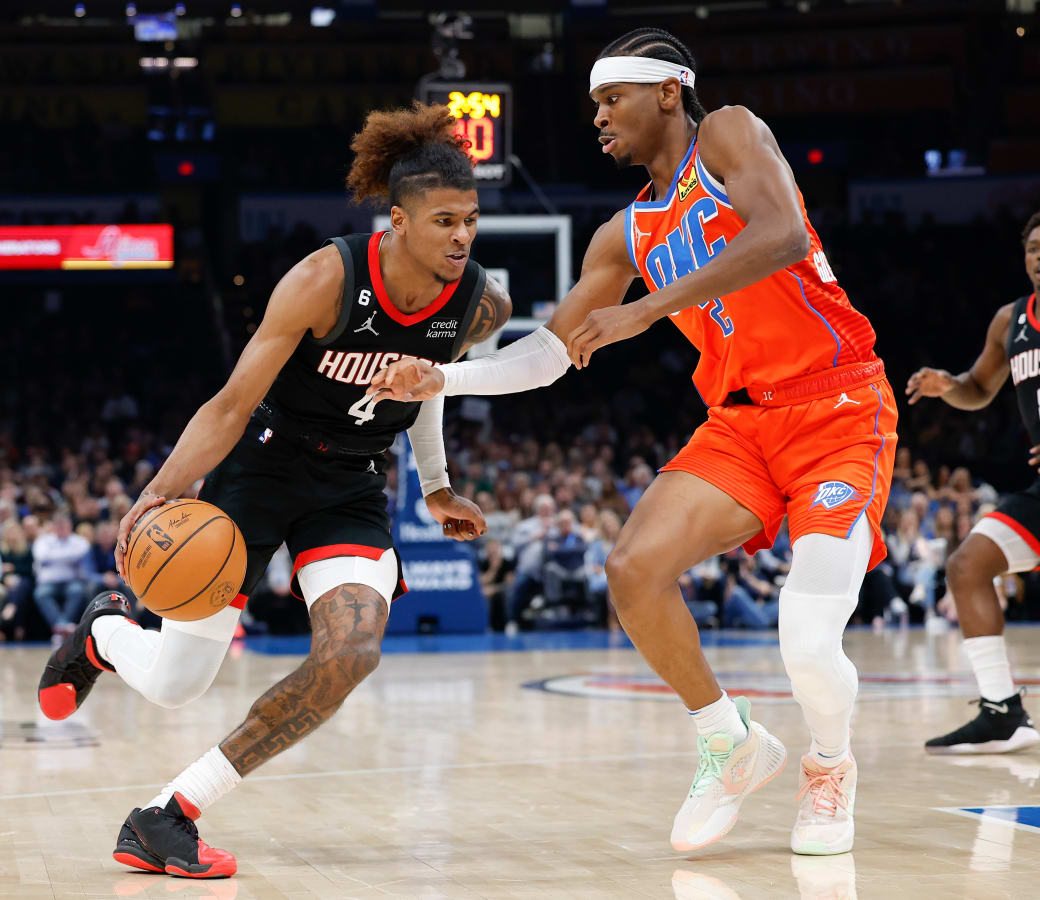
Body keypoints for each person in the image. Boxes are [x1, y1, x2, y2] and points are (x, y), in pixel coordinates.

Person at [370, 27, 897, 855]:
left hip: (837, 407)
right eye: (592, 106)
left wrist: (648, 311)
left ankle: (830, 767)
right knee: (633, 569)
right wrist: (447, 379)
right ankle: (729, 741)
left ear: (665, 92)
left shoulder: (727, 131)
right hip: (740, 424)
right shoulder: (623, 236)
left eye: (610, 99)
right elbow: (550, 354)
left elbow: (784, 236)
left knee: (805, 637)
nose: (598, 117)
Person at [36, 103, 508, 878]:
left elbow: (430, 385)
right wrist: (157, 492)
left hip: (351, 482)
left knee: (352, 652)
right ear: (396, 221)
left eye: (472, 220)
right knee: (178, 685)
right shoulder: (325, 279)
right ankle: (106, 634)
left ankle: (167, 814)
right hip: (262, 463)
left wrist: (438, 486)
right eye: (445, 220)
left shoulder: (479, 303)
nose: (462, 236)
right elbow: (228, 404)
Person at [905, 209, 1040, 755]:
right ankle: (1001, 710)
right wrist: (949, 386)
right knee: (966, 566)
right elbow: (979, 388)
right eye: (1033, 248)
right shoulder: (1010, 321)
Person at [31, 512, 90, 636]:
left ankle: (60, 629)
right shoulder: (43, 540)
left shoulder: (79, 541)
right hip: (49, 582)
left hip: (72, 581)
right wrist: (69, 559)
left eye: (65, 526)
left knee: (77, 591)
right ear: (54, 527)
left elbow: (82, 553)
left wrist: (52, 559)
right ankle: (63, 627)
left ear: (70, 526)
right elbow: (41, 557)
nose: (62, 529)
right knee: (41, 594)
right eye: (59, 526)